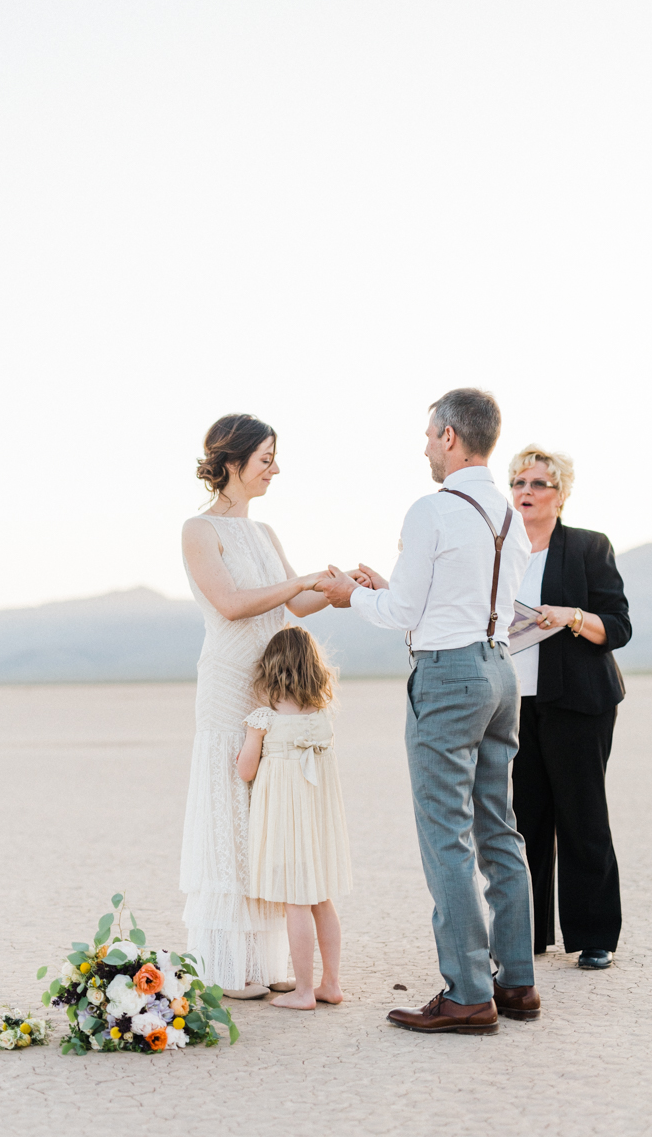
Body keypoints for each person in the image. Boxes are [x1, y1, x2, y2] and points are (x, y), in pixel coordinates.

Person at [317, 388, 540, 1034]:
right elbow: (457, 600)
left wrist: (347, 596)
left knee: (445, 834)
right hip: (500, 672)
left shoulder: (431, 510)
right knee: (498, 828)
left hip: (447, 679)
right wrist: (390, 592)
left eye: (426, 435)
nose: (422, 446)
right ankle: (516, 982)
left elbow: (402, 616)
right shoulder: (505, 514)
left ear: (448, 436)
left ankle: (468, 993)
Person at [180, 413, 365, 999]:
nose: (275, 470)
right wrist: (298, 584)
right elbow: (232, 604)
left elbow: (300, 604)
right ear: (231, 462)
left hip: (274, 689)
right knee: (229, 808)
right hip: (228, 685)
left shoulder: (265, 534)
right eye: (266, 460)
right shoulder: (198, 529)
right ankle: (230, 965)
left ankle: (274, 960)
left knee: (272, 814)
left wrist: (343, 588)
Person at [508, 445, 631, 970]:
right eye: (518, 483)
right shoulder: (499, 553)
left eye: (538, 484)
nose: (526, 493)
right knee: (525, 820)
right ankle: (529, 937)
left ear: (561, 495)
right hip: (512, 704)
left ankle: (594, 935)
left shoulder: (587, 547)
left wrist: (571, 616)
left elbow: (618, 628)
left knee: (582, 817)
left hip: (580, 702)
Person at [237, 627, 352, 1011]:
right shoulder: (321, 717)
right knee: (322, 899)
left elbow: (246, 771)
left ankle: (303, 992)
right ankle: (330, 983)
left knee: (295, 903)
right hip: (318, 821)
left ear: (272, 669)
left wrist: (246, 747)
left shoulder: (263, 718)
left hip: (286, 820)